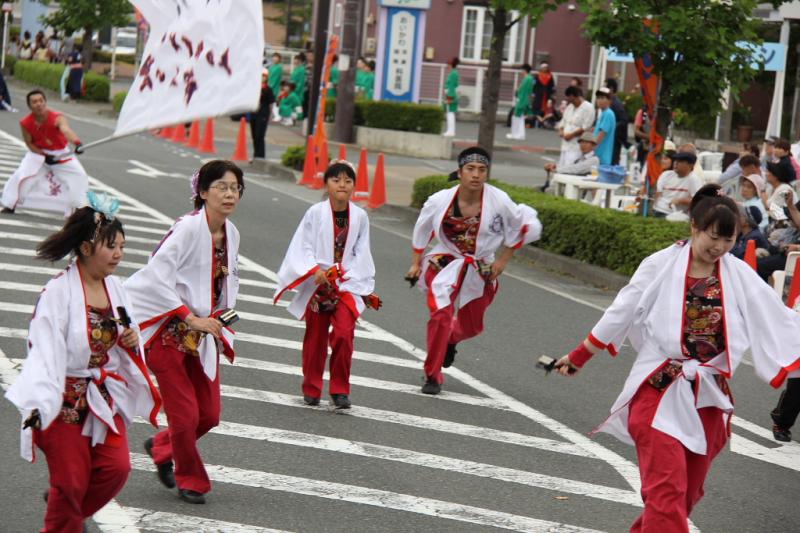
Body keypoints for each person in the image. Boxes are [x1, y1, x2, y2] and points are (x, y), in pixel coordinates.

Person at [553, 183, 800, 533]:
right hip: (658, 389)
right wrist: (579, 355)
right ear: (694, 227)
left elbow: (778, 317)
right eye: (713, 237)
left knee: (684, 496)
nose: (719, 247)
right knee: (666, 494)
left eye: (728, 240)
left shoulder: (737, 273)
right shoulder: (661, 264)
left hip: (708, 398)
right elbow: (621, 310)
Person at [5, 194, 161, 533]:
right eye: (111, 246)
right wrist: (41, 401)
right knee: (71, 481)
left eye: (122, 246)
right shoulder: (57, 292)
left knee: (116, 470)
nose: (119, 254)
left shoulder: (116, 288)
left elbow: (126, 329)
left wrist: (131, 337)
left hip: (102, 397)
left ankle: (66, 509)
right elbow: (43, 349)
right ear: (87, 248)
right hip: (62, 401)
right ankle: (65, 513)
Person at [124, 160, 243, 505]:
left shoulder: (232, 233)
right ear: (202, 192)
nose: (229, 194)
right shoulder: (188, 228)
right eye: (221, 187)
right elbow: (154, 276)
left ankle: (162, 447)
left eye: (235, 188)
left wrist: (219, 317)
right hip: (167, 332)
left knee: (209, 415)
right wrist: (189, 317)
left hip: (202, 334)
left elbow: (225, 283)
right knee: (186, 416)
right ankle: (190, 479)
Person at [407, 147, 542, 395]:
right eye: (470, 169)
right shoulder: (440, 200)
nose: (476, 174)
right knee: (440, 316)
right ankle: (432, 375)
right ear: (460, 172)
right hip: (445, 262)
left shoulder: (499, 201)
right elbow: (422, 228)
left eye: (482, 169)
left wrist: (502, 261)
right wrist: (416, 263)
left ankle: (450, 340)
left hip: (482, 265)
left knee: (472, 326)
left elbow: (522, 227)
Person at [274, 161, 378, 409]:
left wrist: (355, 278)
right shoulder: (315, 212)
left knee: (344, 334)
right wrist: (314, 270)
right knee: (316, 339)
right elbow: (303, 245)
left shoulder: (360, 216)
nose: (342, 185)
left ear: (354, 186)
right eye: (336, 180)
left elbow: (362, 251)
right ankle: (311, 388)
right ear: (326, 184)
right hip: (318, 283)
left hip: (346, 284)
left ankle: (340, 389)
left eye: (348, 181)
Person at [1, 89, 87, 216]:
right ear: (29, 106)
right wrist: (43, 156)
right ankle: (10, 204)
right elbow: (29, 143)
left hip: (61, 153)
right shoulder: (25, 123)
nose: (39, 104)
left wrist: (77, 143)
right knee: (22, 176)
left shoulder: (58, 117)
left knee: (79, 176)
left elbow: (66, 130)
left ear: (45, 102)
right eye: (34, 102)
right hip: (38, 154)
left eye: (41, 101)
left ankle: (77, 210)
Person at [652, 152, 702, 219]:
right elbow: (657, 193)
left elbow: (698, 200)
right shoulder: (666, 175)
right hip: (658, 210)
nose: (675, 163)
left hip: (675, 215)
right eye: (675, 160)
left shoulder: (694, 179)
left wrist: (680, 200)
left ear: (690, 165)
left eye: (680, 161)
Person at [558, 86, 596, 166]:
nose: (567, 99)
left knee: (571, 168)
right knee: (561, 168)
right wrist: (561, 131)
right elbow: (563, 122)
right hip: (565, 145)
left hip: (576, 146)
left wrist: (571, 135)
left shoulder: (588, 107)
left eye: (568, 97)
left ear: (573, 96)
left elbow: (586, 127)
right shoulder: (569, 107)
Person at [250, 69, 275, 162]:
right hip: (254, 114)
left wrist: (271, 115)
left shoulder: (268, 89)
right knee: (254, 135)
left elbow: (271, 103)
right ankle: (255, 154)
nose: (262, 78)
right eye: (261, 76)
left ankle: (260, 156)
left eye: (264, 76)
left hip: (263, 114)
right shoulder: (254, 88)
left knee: (259, 135)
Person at [604, 78, 629, 166]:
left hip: (614, 140)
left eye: (604, 87)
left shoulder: (616, 104)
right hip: (609, 139)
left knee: (612, 163)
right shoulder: (611, 102)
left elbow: (624, 120)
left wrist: (611, 127)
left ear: (611, 89)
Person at [506, 64, 533, 141]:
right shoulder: (529, 78)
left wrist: (519, 93)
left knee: (516, 116)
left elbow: (525, 91)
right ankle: (519, 134)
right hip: (523, 99)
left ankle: (516, 134)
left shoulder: (528, 79)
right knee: (519, 117)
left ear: (524, 70)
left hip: (522, 100)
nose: (521, 71)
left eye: (522, 70)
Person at [593, 88, 616, 166]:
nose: (599, 100)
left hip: (602, 158)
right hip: (598, 157)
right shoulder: (603, 113)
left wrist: (591, 150)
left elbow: (601, 135)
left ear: (609, 100)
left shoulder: (608, 114)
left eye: (602, 98)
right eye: (598, 98)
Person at [442, 57, 459, 138]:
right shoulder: (453, 73)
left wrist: (449, 98)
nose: (447, 66)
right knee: (450, 113)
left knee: (450, 113)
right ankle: (450, 130)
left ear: (451, 65)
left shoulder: (453, 74)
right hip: (450, 94)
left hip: (451, 95)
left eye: (448, 64)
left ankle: (451, 131)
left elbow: (451, 86)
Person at [268, 53, 283, 122]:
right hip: (269, 86)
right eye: (274, 57)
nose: (274, 58)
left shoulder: (279, 67)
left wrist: (270, 86)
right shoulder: (271, 67)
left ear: (279, 59)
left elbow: (276, 79)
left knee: (275, 102)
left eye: (276, 57)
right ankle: (274, 115)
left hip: (274, 87)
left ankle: (277, 116)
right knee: (272, 102)